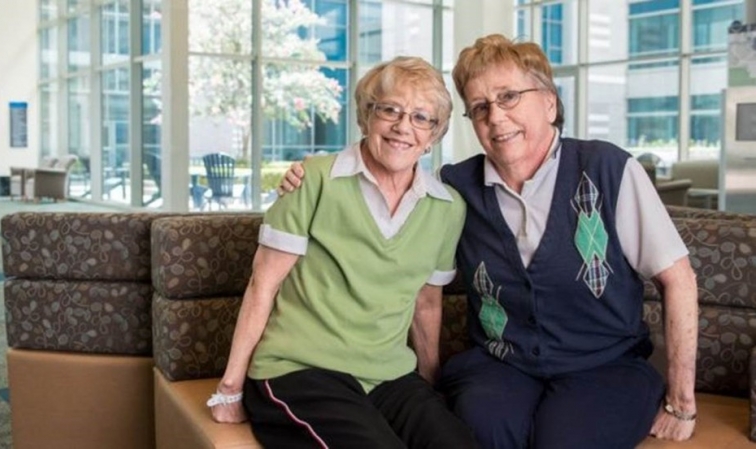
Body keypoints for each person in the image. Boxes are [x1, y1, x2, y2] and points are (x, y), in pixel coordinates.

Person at [278, 34, 699, 449]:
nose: (495, 117)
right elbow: (389, 168)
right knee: (481, 429)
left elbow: (678, 279)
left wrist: (682, 403)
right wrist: (313, 175)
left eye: (509, 97)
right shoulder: (454, 189)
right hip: (502, 363)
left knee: (563, 439)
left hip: (605, 364)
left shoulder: (609, 169)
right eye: (480, 107)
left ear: (550, 103)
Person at [208, 56, 477, 449]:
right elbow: (262, 285)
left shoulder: (447, 208)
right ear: (366, 117)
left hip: (388, 375)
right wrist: (230, 388)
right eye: (390, 110)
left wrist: (429, 388)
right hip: (300, 370)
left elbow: (427, 304)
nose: (403, 127)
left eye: (421, 117)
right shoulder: (313, 180)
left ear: (433, 135)